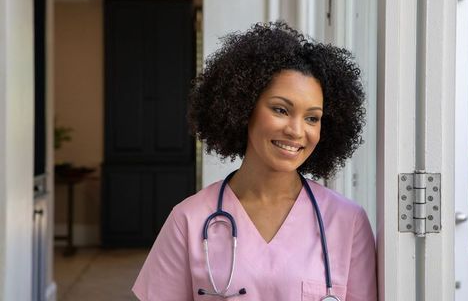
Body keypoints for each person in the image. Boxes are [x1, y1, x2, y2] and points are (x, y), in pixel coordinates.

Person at [132, 21, 377, 301]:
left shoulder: (348, 222)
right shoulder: (189, 220)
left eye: (312, 118)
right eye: (280, 109)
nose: (297, 131)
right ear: (243, 108)